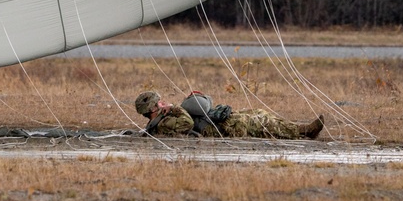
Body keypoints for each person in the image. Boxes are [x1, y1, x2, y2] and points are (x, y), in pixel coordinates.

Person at [134, 91, 324, 140]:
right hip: (218, 130)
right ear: (153, 110)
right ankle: (304, 131)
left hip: (214, 121)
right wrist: (175, 108)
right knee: (259, 123)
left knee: (258, 112)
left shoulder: (162, 119)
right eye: (159, 103)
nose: (163, 103)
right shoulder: (161, 124)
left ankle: (298, 129)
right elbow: (186, 122)